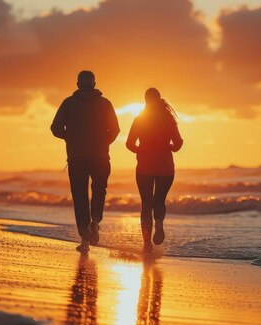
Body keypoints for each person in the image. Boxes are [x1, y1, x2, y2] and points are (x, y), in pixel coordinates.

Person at [51, 70, 120, 253]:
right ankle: (95, 221)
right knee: (99, 191)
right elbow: (115, 129)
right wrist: (103, 142)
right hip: (101, 158)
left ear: (77, 85)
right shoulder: (105, 103)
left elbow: (55, 128)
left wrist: (70, 138)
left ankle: (85, 241)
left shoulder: (68, 103)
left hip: (77, 158)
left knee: (80, 196)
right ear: (95, 85)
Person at [126, 88, 183, 254]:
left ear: (145, 101)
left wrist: (142, 151)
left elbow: (129, 143)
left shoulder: (139, 119)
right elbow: (178, 144)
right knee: (159, 200)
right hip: (165, 167)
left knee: (146, 204)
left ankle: (147, 245)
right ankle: (159, 222)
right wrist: (170, 147)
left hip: (144, 167)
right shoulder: (168, 120)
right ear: (159, 99)